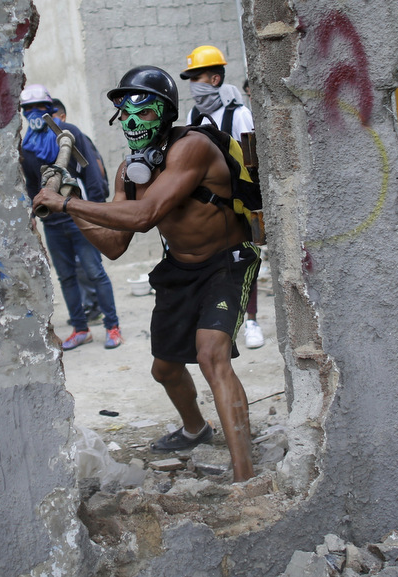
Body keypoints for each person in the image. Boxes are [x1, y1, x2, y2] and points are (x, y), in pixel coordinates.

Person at [32, 66, 260, 482]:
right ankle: (196, 429)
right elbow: (116, 245)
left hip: (227, 260)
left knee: (212, 355)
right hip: (180, 268)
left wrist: (69, 206)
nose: (134, 122)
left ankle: (246, 478)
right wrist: (73, 203)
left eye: (146, 112)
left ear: (167, 113)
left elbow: (144, 215)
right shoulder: (128, 171)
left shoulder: (191, 148)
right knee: (165, 370)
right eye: (126, 113)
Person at [19, 84, 123, 349]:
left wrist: (99, 212)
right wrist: (34, 213)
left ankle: (112, 327)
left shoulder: (69, 133)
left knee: (94, 272)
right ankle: (80, 329)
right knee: (66, 277)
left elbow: (91, 174)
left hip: (79, 218)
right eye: (28, 109)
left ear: (50, 109)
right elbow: (32, 185)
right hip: (52, 223)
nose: (34, 113)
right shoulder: (26, 147)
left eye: (39, 108)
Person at [180, 45, 264, 349]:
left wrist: (256, 206)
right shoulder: (193, 115)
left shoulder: (238, 114)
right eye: (190, 78)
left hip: (238, 201)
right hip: (207, 206)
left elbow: (253, 161)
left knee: (244, 259)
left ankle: (251, 321)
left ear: (214, 79)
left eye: (197, 77)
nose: (193, 85)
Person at [53, 98, 102, 325]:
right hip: (61, 218)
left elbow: (96, 171)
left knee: (90, 267)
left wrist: (97, 209)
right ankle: (88, 311)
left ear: (62, 117)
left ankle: (98, 311)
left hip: (81, 212)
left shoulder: (75, 137)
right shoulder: (44, 145)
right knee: (74, 271)